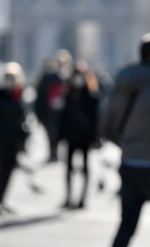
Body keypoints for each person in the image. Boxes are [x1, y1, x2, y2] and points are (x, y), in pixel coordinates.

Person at [101, 31, 150, 247]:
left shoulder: (121, 84)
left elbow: (107, 125)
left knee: (126, 225)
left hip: (127, 163)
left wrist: (127, 145)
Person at [0, 62, 29, 215]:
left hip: (15, 140)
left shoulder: (18, 95)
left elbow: (22, 116)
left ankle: (3, 199)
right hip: (3, 140)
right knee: (2, 171)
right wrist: (2, 127)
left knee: (10, 171)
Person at [58, 61, 99, 209]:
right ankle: (69, 196)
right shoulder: (68, 96)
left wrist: (94, 138)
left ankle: (83, 198)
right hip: (70, 136)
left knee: (86, 168)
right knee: (68, 168)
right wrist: (58, 137)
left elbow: (95, 119)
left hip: (85, 137)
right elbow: (62, 117)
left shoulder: (91, 97)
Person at [34, 57, 65, 162]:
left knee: (51, 133)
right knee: (54, 133)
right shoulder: (60, 78)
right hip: (55, 112)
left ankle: (53, 152)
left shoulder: (45, 79)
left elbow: (39, 98)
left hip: (48, 112)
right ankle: (54, 152)